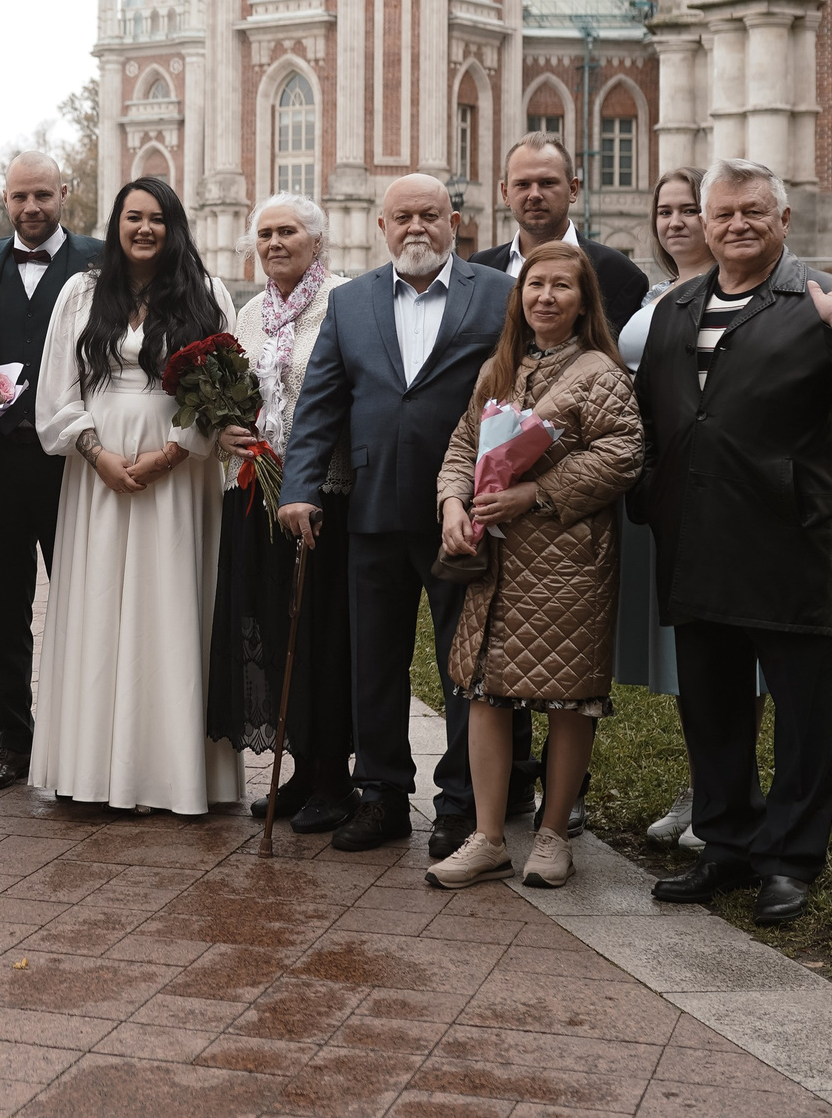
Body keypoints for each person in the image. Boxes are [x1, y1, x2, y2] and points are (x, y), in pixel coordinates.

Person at [635, 159, 832, 925]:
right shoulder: (678, 304)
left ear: (783, 220)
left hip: (785, 535)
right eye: (722, 213)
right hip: (694, 536)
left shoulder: (818, 299)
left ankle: (790, 857)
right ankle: (725, 843)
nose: (735, 224)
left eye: (753, 211)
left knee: (800, 709)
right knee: (712, 706)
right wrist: (650, 494)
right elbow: (650, 416)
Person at [278, 175, 513, 859]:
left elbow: (518, 393)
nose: (417, 226)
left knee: (462, 663)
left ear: (455, 222)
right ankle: (380, 793)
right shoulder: (350, 304)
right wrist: (300, 487)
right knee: (374, 661)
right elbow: (320, 401)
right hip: (373, 511)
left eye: (430, 215)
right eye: (403, 215)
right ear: (381, 227)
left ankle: (461, 802)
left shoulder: (497, 295)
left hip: (461, 513)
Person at [426, 243, 643, 890]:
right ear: (519, 298)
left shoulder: (599, 370)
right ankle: (489, 837)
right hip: (495, 560)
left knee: (568, 695)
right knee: (487, 691)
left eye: (560, 286)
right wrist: (451, 503)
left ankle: (551, 836)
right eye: (534, 285)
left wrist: (535, 493)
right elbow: (463, 443)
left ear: (584, 301)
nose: (545, 296)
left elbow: (624, 452)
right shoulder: (502, 365)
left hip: (567, 559)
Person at [31, 177, 239, 815]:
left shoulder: (207, 295)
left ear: (174, 226)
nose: (143, 229)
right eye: (132, 218)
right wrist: (97, 455)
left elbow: (228, 390)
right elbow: (56, 393)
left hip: (179, 475)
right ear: (116, 224)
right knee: (98, 607)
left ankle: (171, 775)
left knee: (171, 607)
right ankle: (93, 769)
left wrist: (169, 455)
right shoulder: (82, 293)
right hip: (98, 475)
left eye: (156, 219)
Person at [213, 193, 353, 830]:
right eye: (264, 234)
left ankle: (334, 775)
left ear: (315, 241)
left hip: (324, 495)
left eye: (288, 231)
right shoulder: (248, 313)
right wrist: (227, 431)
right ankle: (299, 767)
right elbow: (239, 395)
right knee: (274, 629)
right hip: (257, 492)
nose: (274, 243)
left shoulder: (344, 303)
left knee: (321, 634)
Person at [0, 150, 102, 793]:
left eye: (43, 195)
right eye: (20, 197)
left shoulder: (102, 261)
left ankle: (85, 743)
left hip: (77, 464)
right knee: (8, 607)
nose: (31, 209)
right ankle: (13, 744)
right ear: (5, 199)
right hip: (0, 469)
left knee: (84, 603)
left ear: (65, 193)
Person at [615, 167, 714, 850]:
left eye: (689, 209)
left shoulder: (732, 291)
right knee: (684, 654)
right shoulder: (653, 292)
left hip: (710, 490)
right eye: (666, 210)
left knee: (719, 646)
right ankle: (699, 784)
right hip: (651, 487)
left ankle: (718, 791)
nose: (675, 221)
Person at [473, 132, 650, 329]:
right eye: (523, 184)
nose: (534, 195)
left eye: (547, 183)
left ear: (573, 189)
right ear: (505, 193)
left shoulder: (620, 275)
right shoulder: (478, 270)